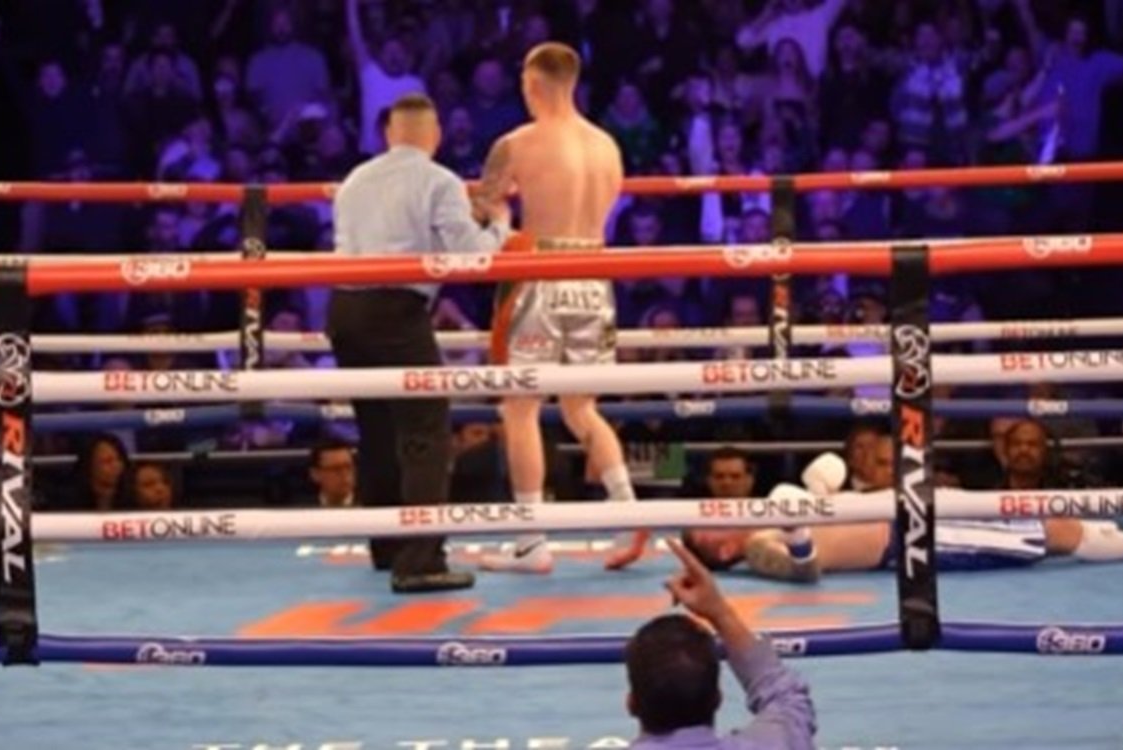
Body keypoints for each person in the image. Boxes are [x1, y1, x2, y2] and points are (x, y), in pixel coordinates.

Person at [472, 42, 648, 574]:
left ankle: (531, 542)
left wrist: (492, 207)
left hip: (539, 272)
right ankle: (628, 514)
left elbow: (484, 207)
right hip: (594, 273)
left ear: (533, 85)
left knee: (519, 407)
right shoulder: (607, 146)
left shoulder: (517, 142)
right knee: (580, 408)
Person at [329, 92, 510, 594]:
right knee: (426, 432)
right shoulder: (439, 180)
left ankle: (387, 547)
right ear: (435, 136)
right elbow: (474, 260)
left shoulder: (355, 180)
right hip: (396, 312)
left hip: (344, 310)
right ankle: (421, 559)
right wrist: (498, 224)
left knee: (379, 430)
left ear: (389, 133)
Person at [683, 447, 1123, 583]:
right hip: (913, 540)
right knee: (1049, 532)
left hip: (907, 510)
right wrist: (799, 532)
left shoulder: (772, 507)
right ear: (722, 547)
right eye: (714, 523)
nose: (724, 509)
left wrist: (822, 491)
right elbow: (805, 572)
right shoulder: (759, 546)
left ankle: (1121, 533)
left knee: (1027, 513)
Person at [627, 538, 816, 750]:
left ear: (631, 703)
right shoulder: (776, 743)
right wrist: (721, 614)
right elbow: (787, 697)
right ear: (718, 698)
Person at [309, 438, 357, 508]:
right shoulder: (300, 510)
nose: (344, 474)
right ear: (315, 474)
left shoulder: (370, 507)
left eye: (348, 467)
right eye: (336, 469)